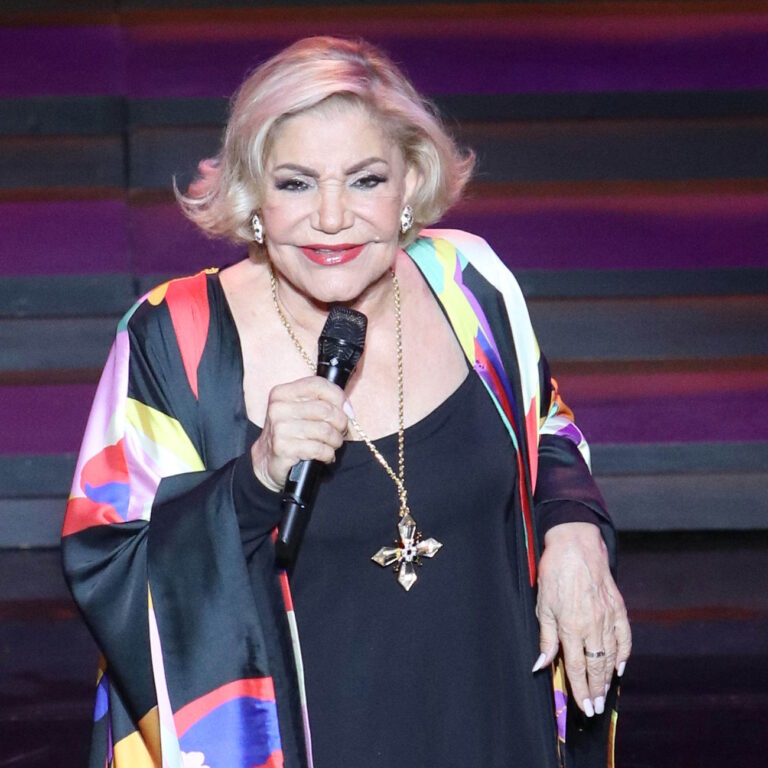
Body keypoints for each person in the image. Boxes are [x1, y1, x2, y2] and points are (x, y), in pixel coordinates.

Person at [62, 36, 631, 768]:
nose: (332, 218)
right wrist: (254, 479)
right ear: (253, 195)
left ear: (409, 184)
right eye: (296, 184)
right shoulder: (176, 337)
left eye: (365, 180)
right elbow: (111, 560)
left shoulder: (471, 284)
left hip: (495, 727)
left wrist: (574, 529)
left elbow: (543, 426)